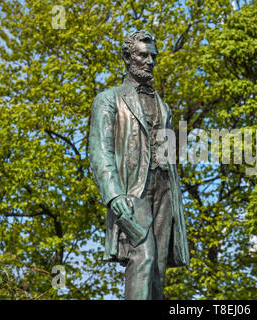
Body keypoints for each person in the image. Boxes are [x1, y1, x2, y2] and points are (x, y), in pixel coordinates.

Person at [89, 30, 189, 300]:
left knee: (158, 268)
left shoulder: (163, 106)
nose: (150, 61)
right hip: (133, 191)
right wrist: (113, 194)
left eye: (153, 56)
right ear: (127, 57)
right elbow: (100, 151)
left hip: (165, 190)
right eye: (143, 55)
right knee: (142, 257)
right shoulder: (109, 99)